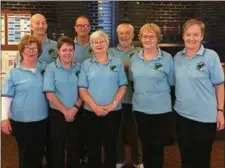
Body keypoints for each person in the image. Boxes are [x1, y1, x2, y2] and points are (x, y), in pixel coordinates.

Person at [174, 19, 224, 168]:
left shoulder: (211, 56)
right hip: (182, 115)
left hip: (205, 117)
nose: (191, 38)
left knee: (202, 158)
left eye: (196, 34)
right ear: (183, 36)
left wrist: (220, 111)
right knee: (185, 157)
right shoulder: (177, 58)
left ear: (202, 36)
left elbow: (219, 85)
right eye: (188, 34)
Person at [78, 30, 127, 168]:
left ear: (107, 43)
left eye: (102, 41)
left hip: (113, 112)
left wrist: (113, 105)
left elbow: (123, 86)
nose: (99, 44)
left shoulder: (117, 63)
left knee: (111, 146)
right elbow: (82, 89)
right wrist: (95, 107)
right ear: (91, 45)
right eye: (95, 42)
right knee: (93, 146)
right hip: (91, 112)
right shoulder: (86, 64)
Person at [129, 23, 174, 168]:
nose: (148, 39)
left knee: (157, 147)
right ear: (140, 38)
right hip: (141, 109)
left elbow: (172, 82)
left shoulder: (167, 58)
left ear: (158, 38)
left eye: (152, 36)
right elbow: (132, 80)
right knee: (146, 146)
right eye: (145, 36)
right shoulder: (134, 58)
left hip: (161, 110)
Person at [1, 35, 48, 168]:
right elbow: (6, 96)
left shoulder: (45, 68)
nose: (31, 51)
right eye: (27, 48)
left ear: (38, 51)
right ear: (21, 51)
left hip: (41, 119)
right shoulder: (13, 70)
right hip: (21, 121)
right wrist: (4, 119)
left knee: (38, 153)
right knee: (25, 154)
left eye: (34, 48)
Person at [43, 36, 82, 168]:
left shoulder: (78, 67)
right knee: (57, 149)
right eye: (64, 50)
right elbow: (49, 94)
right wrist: (66, 111)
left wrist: (75, 109)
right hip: (58, 114)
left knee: (74, 148)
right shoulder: (51, 68)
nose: (67, 53)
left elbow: (83, 91)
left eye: (70, 50)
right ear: (58, 51)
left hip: (76, 113)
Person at [108, 23, 143, 168]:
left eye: (127, 33)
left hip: (136, 99)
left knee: (137, 133)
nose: (124, 36)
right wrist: (127, 66)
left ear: (133, 35)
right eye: (121, 33)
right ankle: (119, 159)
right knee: (117, 132)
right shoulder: (109, 51)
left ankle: (138, 160)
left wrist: (120, 66)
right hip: (115, 100)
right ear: (117, 35)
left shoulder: (141, 51)